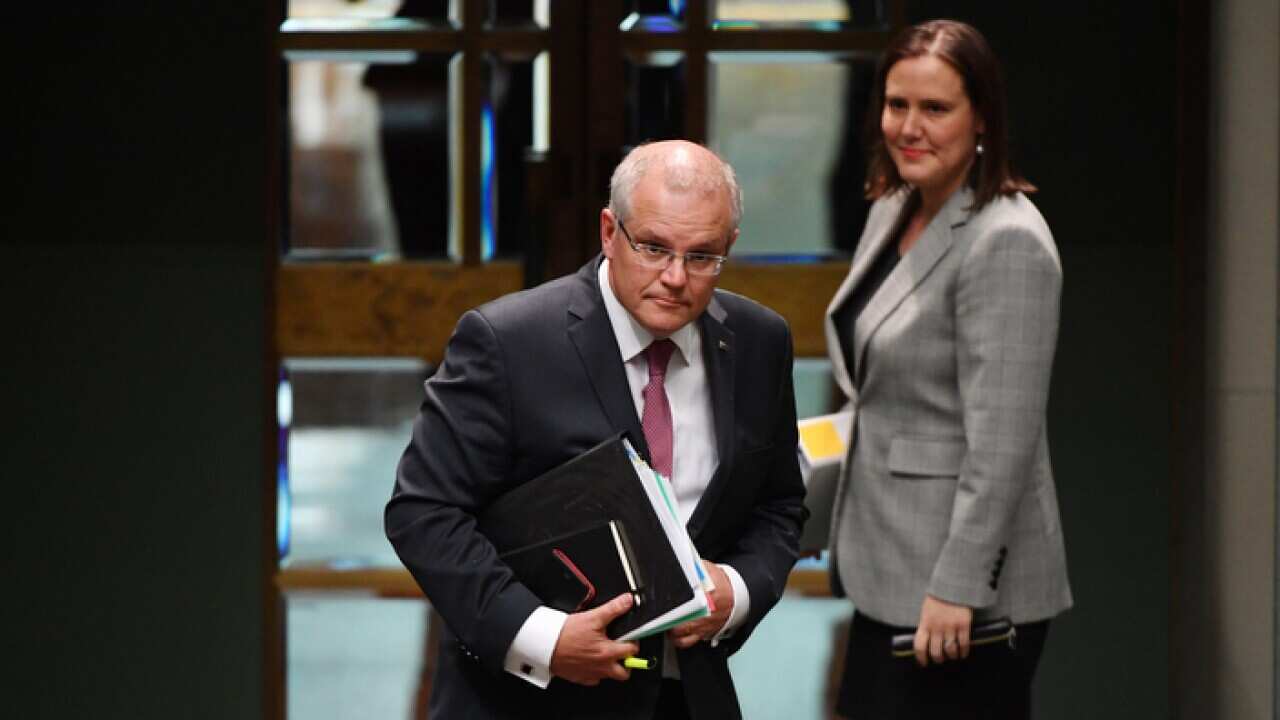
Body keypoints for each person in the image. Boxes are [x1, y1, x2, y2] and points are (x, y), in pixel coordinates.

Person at [386, 140, 806, 720]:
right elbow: (423, 512)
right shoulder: (508, 341)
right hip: (526, 701)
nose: (676, 277)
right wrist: (542, 637)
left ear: (729, 247)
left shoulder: (760, 341)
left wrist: (736, 590)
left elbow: (779, 505)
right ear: (609, 231)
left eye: (702, 256)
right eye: (654, 248)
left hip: (686, 696)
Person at [823, 20, 1072, 719]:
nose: (910, 127)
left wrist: (958, 586)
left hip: (959, 594)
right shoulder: (893, 206)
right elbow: (883, 388)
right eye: (897, 104)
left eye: (935, 109)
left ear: (981, 117)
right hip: (887, 565)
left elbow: (1005, 445)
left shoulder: (1008, 241)